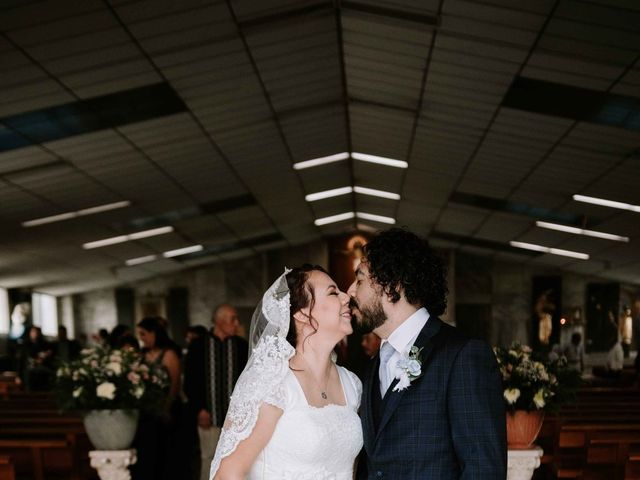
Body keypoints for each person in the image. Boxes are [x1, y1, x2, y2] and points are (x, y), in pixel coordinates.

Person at [348, 228, 506, 479]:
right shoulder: (372, 367)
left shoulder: (463, 356)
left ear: (392, 286)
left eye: (359, 280)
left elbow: (483, 469)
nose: (350, 292)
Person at [209, 265, 363, 479]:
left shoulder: (351, 384)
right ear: (302, 314)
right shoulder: (272, 382)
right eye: (333, 292)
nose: (346, 297)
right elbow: (228, 474)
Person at [184, 304, 249, 480]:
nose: (237, 323)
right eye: (232, 319)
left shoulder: (242, 346)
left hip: (235, 418)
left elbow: (248, 381)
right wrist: (199, 409)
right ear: (219, 321)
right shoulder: (198, 346)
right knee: (209, 458)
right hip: (208, 415)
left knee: (235, 459)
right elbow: (190, 381)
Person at [131, 317, 183, 480]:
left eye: (143, 334)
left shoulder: (169, 354)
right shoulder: (142, 355)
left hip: (166, 409)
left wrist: (166, 407)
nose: (141, 338)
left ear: (153, 333)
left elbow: (175, 384)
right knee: (146, 453)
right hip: (146, 411)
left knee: (164, 453)